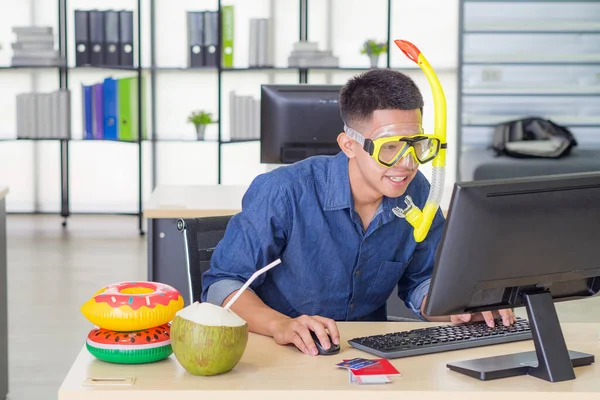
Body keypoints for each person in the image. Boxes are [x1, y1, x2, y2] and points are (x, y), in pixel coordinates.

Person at [201, 68, 516, 356]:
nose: (408, 163)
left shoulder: (419, 191)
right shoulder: (284, 190)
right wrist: (280, 325)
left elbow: (423, 282)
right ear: (349, 145)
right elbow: (223, 285)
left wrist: (459, 308)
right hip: (281, 350)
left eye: (416, 144)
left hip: (365, 353)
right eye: (390, 147)